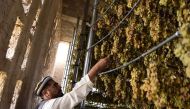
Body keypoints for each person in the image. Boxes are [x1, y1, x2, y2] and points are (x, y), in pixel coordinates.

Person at [34, 57, 109, 109]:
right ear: (46, 93)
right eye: (55, 85)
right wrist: (98, 67)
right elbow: (75, 95)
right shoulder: (50, 106)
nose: (59, 86)